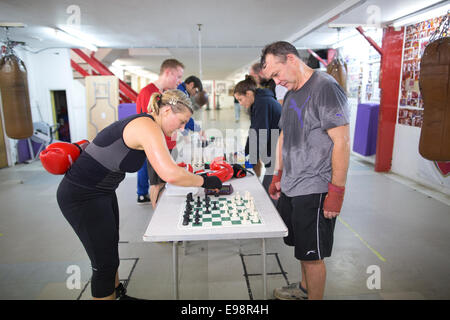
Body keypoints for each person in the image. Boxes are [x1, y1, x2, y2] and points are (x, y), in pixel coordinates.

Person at [56, 89, 222, 300]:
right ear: (167, 110)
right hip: (81, 195)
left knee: (109, 250)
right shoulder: (147, 127)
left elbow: (165, 166)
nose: (181, 129)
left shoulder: (150, 125)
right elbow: (169, 172)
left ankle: (116, 295)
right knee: (103, 265)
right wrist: (205, 181)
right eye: (181, 122)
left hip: (102, 192)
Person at [261, 41, 350, 300]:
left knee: (313, 257)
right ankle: (303, 289)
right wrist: (278, 175)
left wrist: (336, 192)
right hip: (292, 184)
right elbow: (284, 137)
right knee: (302, 248)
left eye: (276, 74)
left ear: (290, 59)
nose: (277, 82)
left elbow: (342, 142)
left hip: (316, 187)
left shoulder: (326, 88)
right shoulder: (290, 95)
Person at [135, 59, 184, 207]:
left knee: (164, 183)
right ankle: (157, 224)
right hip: (156, 148)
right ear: (168, 73)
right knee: (156, 185)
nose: (179, 81)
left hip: (166, 145)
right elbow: (147, 126)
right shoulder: (147, 93)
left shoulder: (164, 94)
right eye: (178, 76)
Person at [234, 75, 281, 205]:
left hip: (280, 155)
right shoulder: (259, 102)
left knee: (270, 194)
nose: (240, 103)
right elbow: (253, 130)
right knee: (270, 192)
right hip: (273, 152)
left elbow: (261, 133)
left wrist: (251, 161)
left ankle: (276, 223)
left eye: (240, 99)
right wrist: (246, 153)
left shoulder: (262, 103)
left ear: (249, 94)